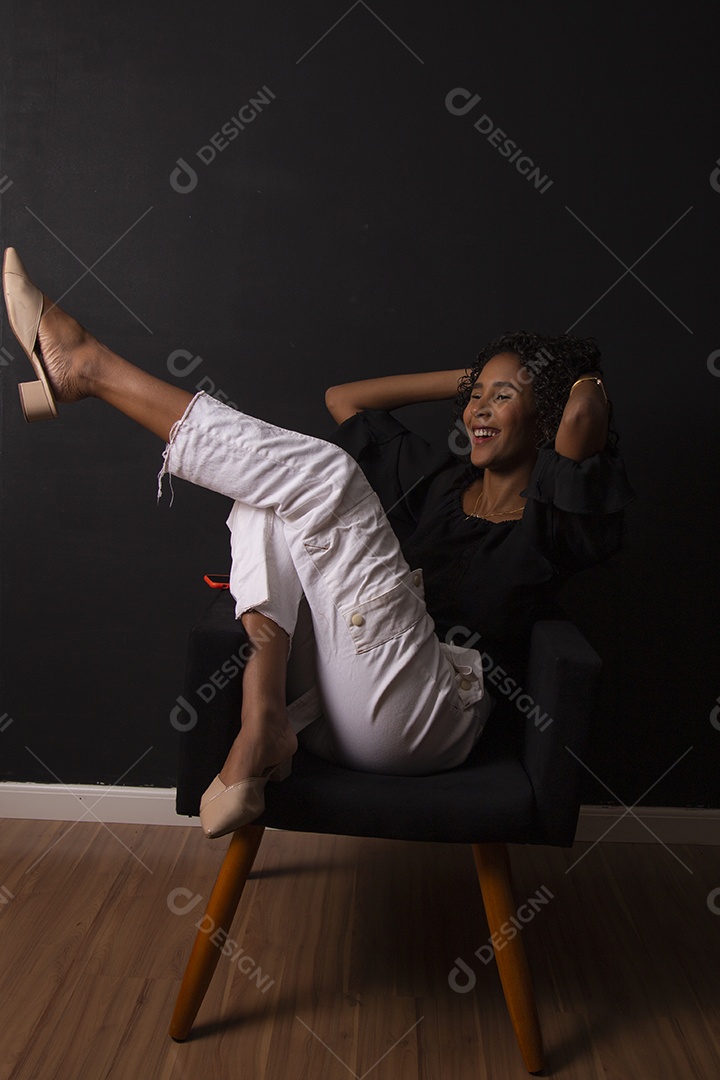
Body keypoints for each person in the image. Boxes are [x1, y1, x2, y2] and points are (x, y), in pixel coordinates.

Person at [2, 248, 635, 840]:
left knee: (325, 475)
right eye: (475, 397)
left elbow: (580, 414)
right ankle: (262, 719)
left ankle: (88, 366)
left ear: (544, 415)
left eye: (504, 397)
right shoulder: (441, 482)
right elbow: (345, 399)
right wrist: (475, 376)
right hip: (332, 705)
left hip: (429, 719)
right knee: (264, 492)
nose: (479, 409)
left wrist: (574, 377)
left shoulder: (551, 517)